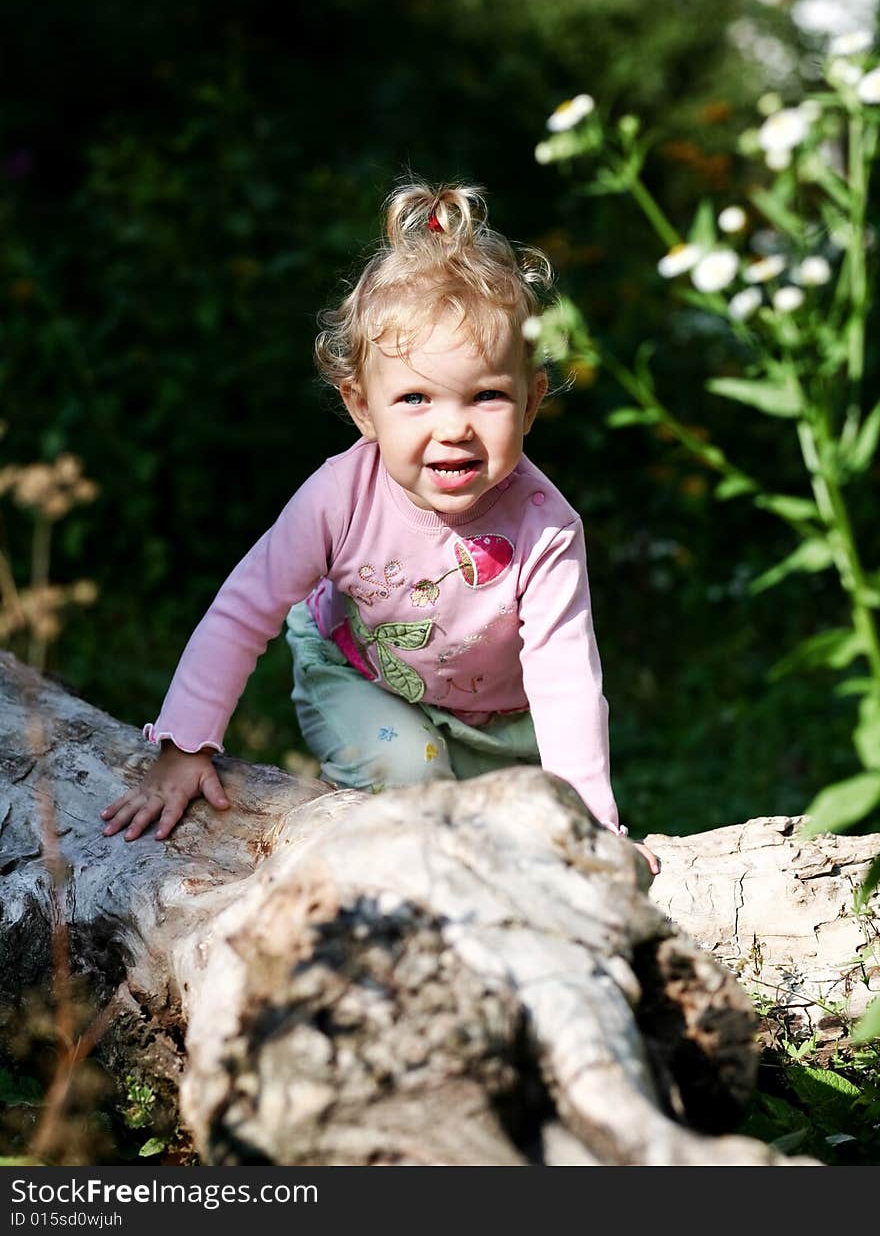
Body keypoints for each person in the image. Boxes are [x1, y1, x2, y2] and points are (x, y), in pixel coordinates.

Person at [101, 181, 658, 874]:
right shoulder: (338, 497)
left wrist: (591, 829)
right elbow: (245, 609)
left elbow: (566, 676)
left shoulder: (545, 528)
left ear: (532, 399)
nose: (452, 428)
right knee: (415, 780)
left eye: (487, 396)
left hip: (500, 720)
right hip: (359, 676)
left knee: (515, 833)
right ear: (363, 408)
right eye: (415, 398)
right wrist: (186, 749)